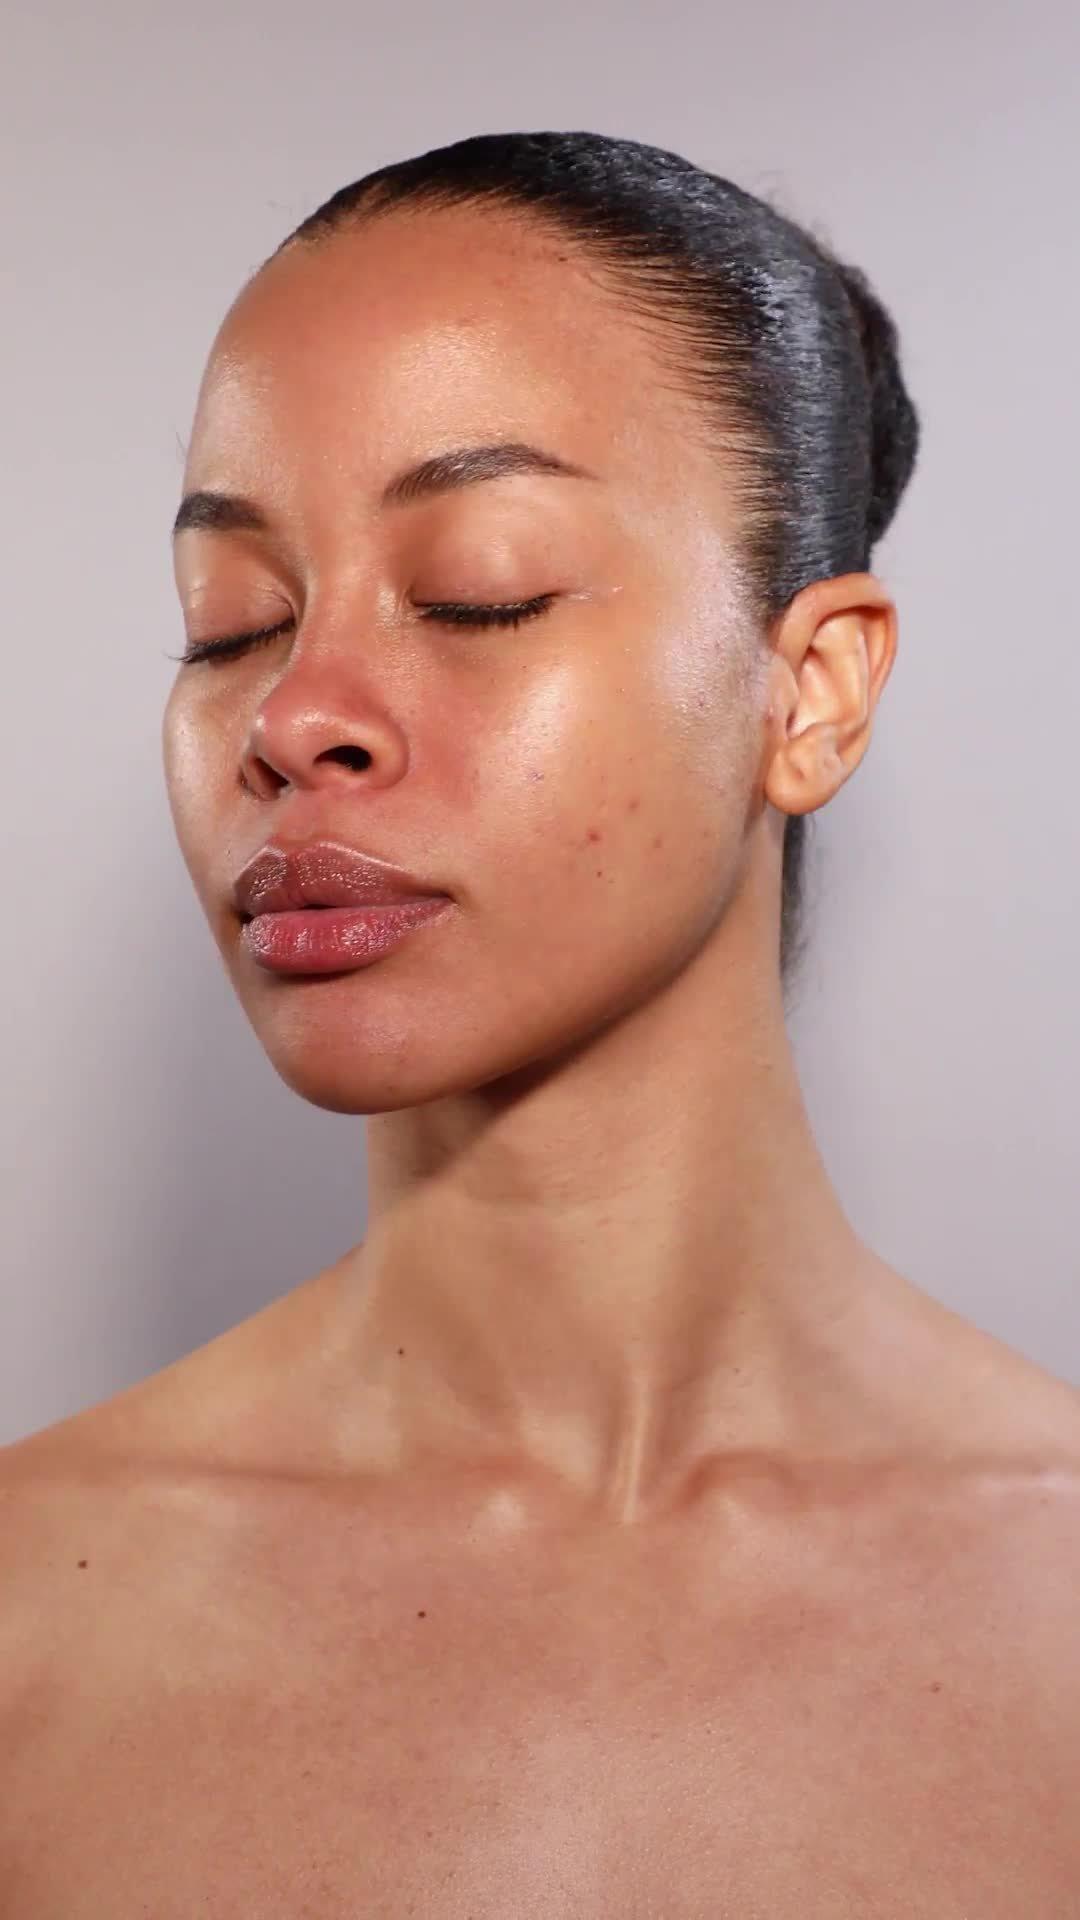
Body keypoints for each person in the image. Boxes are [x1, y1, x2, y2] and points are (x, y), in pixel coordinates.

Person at [2, 129, 1078, 1915]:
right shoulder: (32, 1622)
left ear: (810, 694)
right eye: (231, 623)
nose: (293, 713)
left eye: (477, 588)